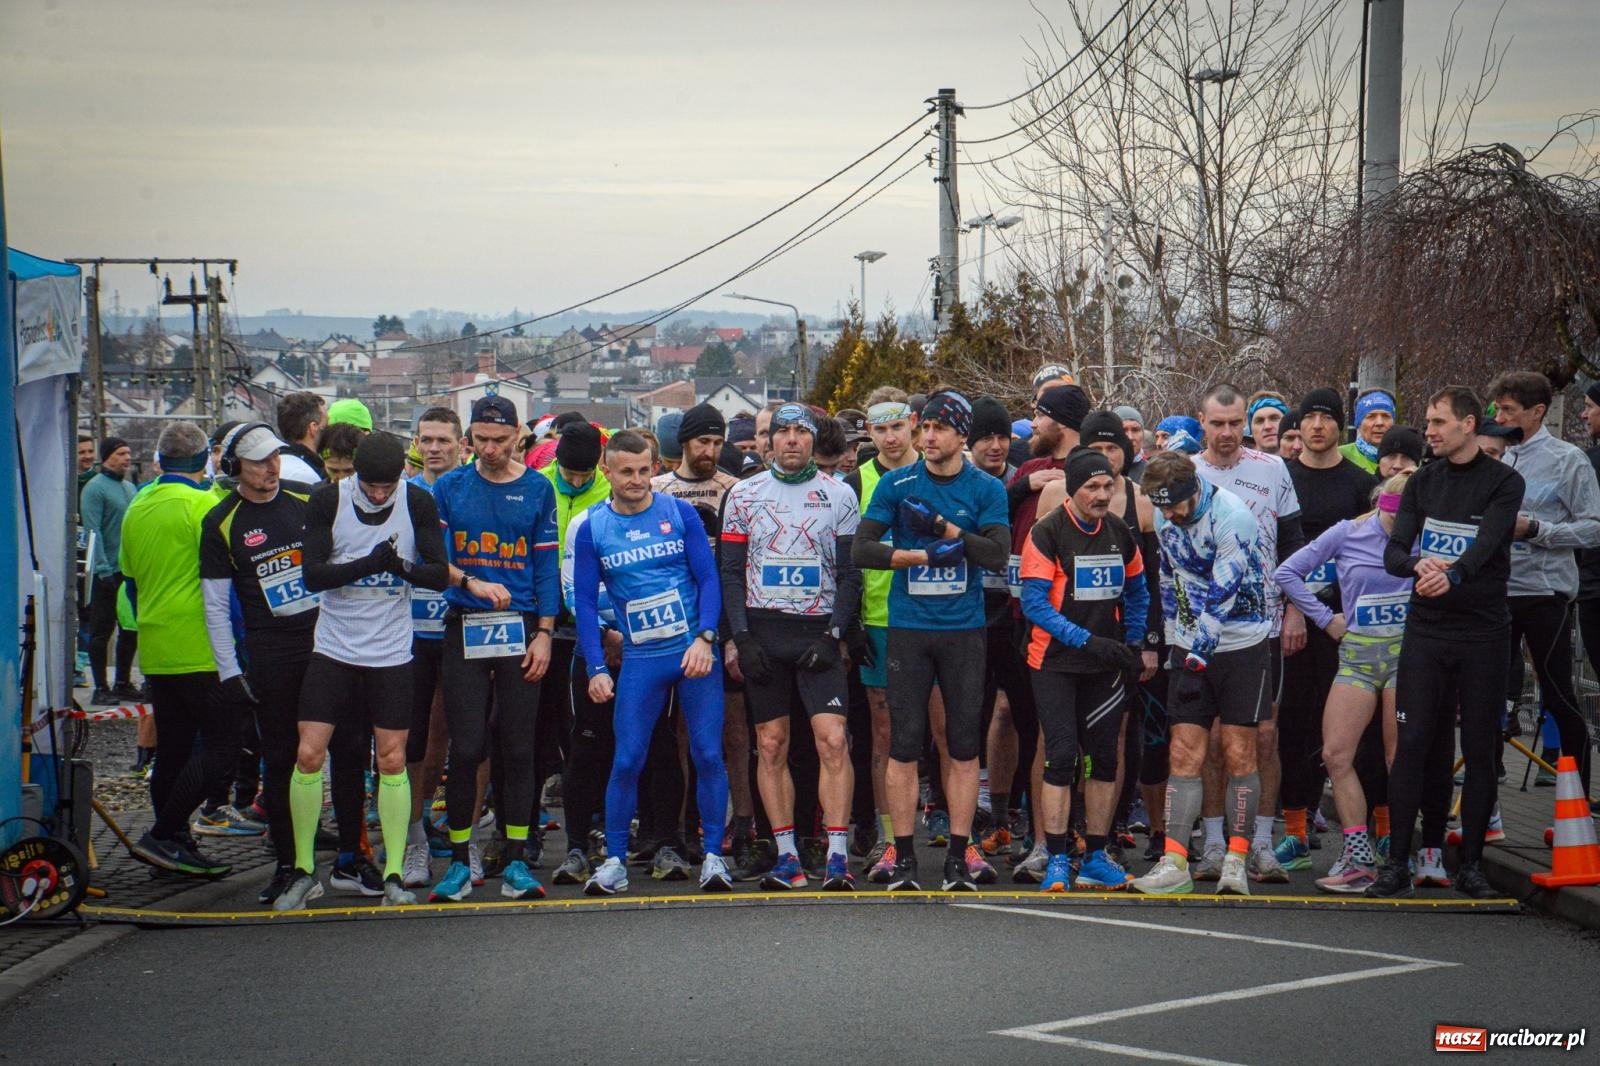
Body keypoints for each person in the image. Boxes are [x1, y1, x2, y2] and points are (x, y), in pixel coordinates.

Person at [277, 433, 452, 910]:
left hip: (391, 652)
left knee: (392, 759)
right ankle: (303, 869)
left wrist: (401, 569)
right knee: (310, 754)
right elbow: (312, 574)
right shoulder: (327, 499)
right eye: (371, 486)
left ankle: (394, 872)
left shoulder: (414, 500)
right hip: (333, 647)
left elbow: (438, 572)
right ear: (355, 473)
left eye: (386, 487)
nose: (379, 495)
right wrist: (365, 565)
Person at [853, 391, 1011, 891]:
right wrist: (918, 558)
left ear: (962, 435)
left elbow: (997, 556)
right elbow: (862, 548)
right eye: (925, 429)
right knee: (903, 745)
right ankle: (902, 856)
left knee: (964, 747)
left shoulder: (985, 487)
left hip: (962, 632)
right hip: (909, 629)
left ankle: (959, 858)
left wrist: (945, 530)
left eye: (940, 429)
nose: (929, 438)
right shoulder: (898, 483)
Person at [1370, 386, 1523, 900]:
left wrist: (1453, 576)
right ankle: (1396, 863)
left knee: (1481, 748)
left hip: (1482, 631)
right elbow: (1394, 552)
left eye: (1437, 422)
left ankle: (1473, 864)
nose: (1428, 431)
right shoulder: (1422, 481)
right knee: (1411, 745)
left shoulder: (1505, 481)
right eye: (1427, 422)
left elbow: (1487, 545)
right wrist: (1418, 565)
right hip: (1428, 632)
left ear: (1468, 425)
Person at [572, 430, 734, 894]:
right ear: (607, 472)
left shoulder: (679, 512)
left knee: (706, 753)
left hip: (693, 654)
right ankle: (616, 861)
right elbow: (584, 603)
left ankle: (714, 859)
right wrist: (597, 667)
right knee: (627, 759)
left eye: (645, 470)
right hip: (642, 658)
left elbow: (709, 578)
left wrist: (706, 637)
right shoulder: (592, 528)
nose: (638, 480)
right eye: (626, 472)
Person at [722, 403, 861, 890]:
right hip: (764, 632)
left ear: (813, 441)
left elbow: (850, 573)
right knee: (771, 745)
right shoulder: (743, 494)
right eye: (784, 432)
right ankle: (785, 856)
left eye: (802, 432)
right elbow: (731, 572)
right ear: (770, 442)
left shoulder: (839, 494)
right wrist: (741, 638)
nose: (792, 441)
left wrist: (834, 635)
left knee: (833, 740)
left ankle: (837, 854)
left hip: (817, 633)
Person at [428, 396, 560, 903]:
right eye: (479, 440)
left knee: (518, 746)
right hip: (466, 623)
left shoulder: (536, 488)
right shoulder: (451, 487)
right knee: (466, 747)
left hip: (521, 625)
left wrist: (545, 631)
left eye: (499, 441)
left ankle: (517, 860)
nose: (488, 449)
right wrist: (472, 582)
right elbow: (433, 558)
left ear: (519, 437)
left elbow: (547, 565)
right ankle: (460, 862)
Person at [1131, 451, 1271, 897]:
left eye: (1175, 505)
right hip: (1191, 643)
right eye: (1161, 506)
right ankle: (1175, 860)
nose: (1167, 514)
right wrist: (1175, 642)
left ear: (1195, 489)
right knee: (1184, 751)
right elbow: (1169, 579)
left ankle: (1236, 858)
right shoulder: (1165, 510)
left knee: (1237, 752)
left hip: (1241, 643)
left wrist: (1197, 654)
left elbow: (1222, 593)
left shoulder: (1233, 517)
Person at [199, 422, 320, 904]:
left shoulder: (308, 497)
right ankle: (290, 863)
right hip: (271, 650)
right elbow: (213, 605)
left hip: (324, 642)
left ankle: (354, 858)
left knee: (344, 750)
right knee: (283, 758)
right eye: (256, 462)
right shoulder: (222, 522)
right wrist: (228, 670)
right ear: (234, 468)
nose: (269, 469)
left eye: (273, 458)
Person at [1277, 471, 1414, 893]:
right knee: (1336, 754)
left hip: (1405, 660)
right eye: (1392, 518)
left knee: (1397, 759)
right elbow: (1287, 573)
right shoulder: (1349, 532)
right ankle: (1358, 856)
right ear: (1380, 507)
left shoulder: (1425, 535)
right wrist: (1324, 619)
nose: (1399, 530)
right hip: (1356, 656)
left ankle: (1401, 857)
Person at [1019, 448, 1149, 891]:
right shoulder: (1048, 531)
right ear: (1072, 491)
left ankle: (1095, 853)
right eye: (1091, 487)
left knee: (1104, 759)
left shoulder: (1118, 530)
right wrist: (1089, 641)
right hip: (1055, 661)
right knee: (1061, 757)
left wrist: (1133, 643)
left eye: (1108, 486)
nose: (1101, 494)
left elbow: (1137, 590)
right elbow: (1034, 604)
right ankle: (1057, 855)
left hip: (1105, 666)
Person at [1194, 384, 1306, 884]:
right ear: (1201, 421)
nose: (1226, 433)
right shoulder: (1188, 472)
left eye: (1235, 423)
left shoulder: (1272, 468)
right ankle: (1214, 844)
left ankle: (1261, 843)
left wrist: (1297, 611)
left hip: (1263, 622)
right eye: (1217, 423)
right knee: (1215, 739)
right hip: (1204, 626)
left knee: (1263, 736)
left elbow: (1294, 544)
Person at [120, 421, 231, 877]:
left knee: (174, 750)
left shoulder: (137, 506)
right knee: (225, 746)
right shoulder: (206, 506)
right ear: (206, 460)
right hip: (203, 645)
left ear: (159, 462)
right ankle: (164, 833)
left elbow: (128, 582)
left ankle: (173, 846)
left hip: (156, 644)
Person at [1273, 388, 1377, 873]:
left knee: (1349, 730)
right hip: (1295, 617)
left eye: (1326, 417)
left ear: (1341, 426)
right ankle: (1294, 830)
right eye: (1309, 417)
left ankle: (1374, 833)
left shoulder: (1360, 482)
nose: (1316, 425)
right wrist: (1296, 607)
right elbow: (1274, 550)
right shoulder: (1283, 477)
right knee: (1293, 721)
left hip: (1346, 622)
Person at [650, 402, 752, 880]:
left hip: (722, 622)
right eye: (702, 443)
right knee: (680, 734)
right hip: (671, 623)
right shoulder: (658, 491)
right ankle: (680, 826)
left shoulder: (738, 491)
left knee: (732, 731)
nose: (710, 451)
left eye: (717, 442)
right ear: (684, 443)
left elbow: (741, 567)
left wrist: (733, 635)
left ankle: (743, 824)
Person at [1491, 371, 1600, 798]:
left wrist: (1537, 529)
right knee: (1487, 694)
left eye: (1508, 411)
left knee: (1557, 693)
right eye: (1496, 409)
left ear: (1537, 412)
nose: (1499, 417)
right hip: (1494, 591)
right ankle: (1487, 794)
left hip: (1543, 593)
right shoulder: (1492, 453)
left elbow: (1593, 529)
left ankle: (1578, 798)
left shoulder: (1567, 459)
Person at [842, 388, 921, 872]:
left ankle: (960, 836)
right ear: (869, 432)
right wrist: (850, 623)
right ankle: (889, 839)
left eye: (898, 426)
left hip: (937, 619)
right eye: (880, 429)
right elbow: (847, 559)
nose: (890, 437)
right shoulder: (857, 482)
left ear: (912, 423)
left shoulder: (936, 472)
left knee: (943, 728)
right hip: (878, 620)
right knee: (884, 734)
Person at [968, 397, 1040, 864]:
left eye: (1002, 438)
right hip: (972, 615)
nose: (996, 446)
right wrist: (1021, 489)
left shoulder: (1022, 477)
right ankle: (986, 818)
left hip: (1016, 616)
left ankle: (1027, 820)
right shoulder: (966, 483)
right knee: (975, 720)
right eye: (985, 439)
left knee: (1027, 717)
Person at [400, 407, 465, 889]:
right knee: (415, 738)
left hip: (464, 627)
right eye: (428, 440)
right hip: (410, 632)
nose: (435, 447)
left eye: (444, 439)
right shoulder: (403, 494)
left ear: (460, 444)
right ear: (417, 444)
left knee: (462, 735)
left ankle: (465, 838)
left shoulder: (471, 489)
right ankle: (414, 834)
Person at [81, 436, 140, 705]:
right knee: (102, 630)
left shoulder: (130, 487)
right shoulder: (95, 488)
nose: (126, 458)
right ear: (106, 457)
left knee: (130, 628)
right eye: (120, 453)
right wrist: (103, 569)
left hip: (130, 570)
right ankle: (101, 687)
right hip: (107, 571)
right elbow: (93, 530)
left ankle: (123, 682)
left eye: (128, 453)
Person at [276, 391, 327, 484]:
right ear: (313, 427)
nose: (329, 430)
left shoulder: (275, 465)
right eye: (326, 424)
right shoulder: (307, 476)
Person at [1340, 389, 1396, 474]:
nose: (1379, 423)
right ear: (1358, 423)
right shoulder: (1341, 456)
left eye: (1386, 416)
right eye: (1371, 416)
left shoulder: (1406, 459)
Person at [1114, 405, 1148, 483]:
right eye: (1124, 430)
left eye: (1135, 430)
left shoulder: (1155, 472)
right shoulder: (1100, 470)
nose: (1130, 437)